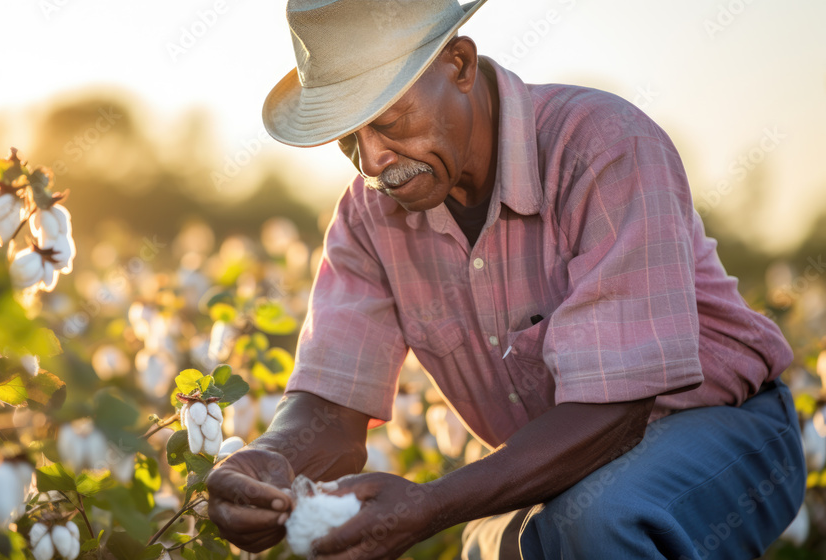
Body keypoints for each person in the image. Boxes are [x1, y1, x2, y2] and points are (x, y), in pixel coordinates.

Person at [206, 1, 805, 558]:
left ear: (460, 64)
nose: (373, 162)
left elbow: (617, 411)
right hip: (553, 472)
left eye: (388, 118)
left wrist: (432, 504)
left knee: (598, 523)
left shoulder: (604, 146)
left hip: (722, 430)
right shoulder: (367, 215)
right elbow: (332, 412)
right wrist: (270, 460)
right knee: (496, 542)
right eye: (348, 139)